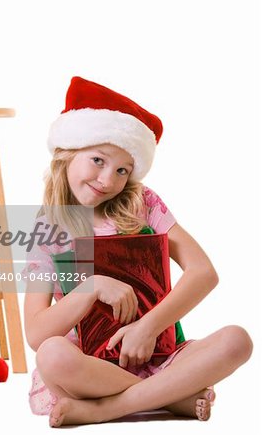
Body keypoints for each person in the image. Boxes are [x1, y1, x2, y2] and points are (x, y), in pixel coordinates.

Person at [23, 76, 253, 427]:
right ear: (67, 153)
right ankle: (173, 398)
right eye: (98, 160)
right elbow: (37, 335)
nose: (107, 180)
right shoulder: (47, 230)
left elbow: (203, 273)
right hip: (91, 367)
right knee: (53, 355)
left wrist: (148, 327)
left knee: (238, 340)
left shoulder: (142, 204)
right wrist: (92, 286)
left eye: (122, 170)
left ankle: (107, 409)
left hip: (161, 353)